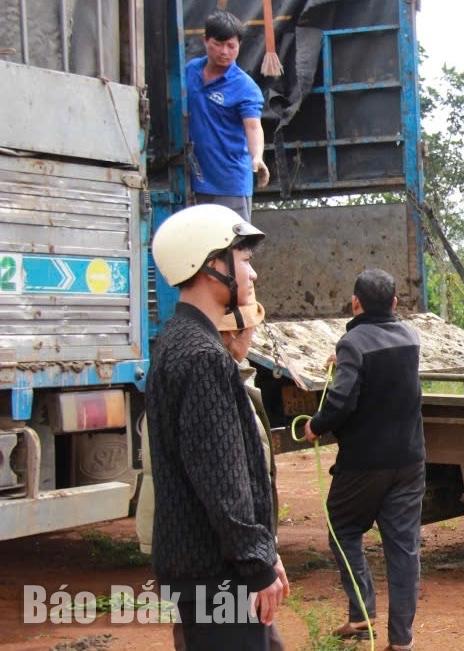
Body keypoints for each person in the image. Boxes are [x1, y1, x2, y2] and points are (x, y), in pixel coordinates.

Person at [147, 204, 286, 649]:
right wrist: (255, 564)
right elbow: (223, 482)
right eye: (244, 260)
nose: (253, 274)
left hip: (204, 570)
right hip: (218, 575)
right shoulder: (204, 357)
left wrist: (266, 551)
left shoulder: (176, 341)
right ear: (212, 266)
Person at [303, 269, 425, 651]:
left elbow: (341, 402)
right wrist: (343, 360)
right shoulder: (410, 337)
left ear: (356, 302)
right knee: (404, 549)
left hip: (365, 464)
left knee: (342, 527)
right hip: (409, 460)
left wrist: (316, 426)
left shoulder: (352, 342)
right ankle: (401, 641)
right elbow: (382, 371)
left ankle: (361, 612)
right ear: (394, 303)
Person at [187, 10, 270, 222]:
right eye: (218, 43)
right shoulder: (189, 71)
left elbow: (253, 127)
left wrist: (257, 157)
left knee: (234, 248)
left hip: (230, 182)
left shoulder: (245, 87)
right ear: (205, 40)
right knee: (200, 250)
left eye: (231, 46)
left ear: (239, 46)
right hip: (193, 179)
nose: (225, 51)